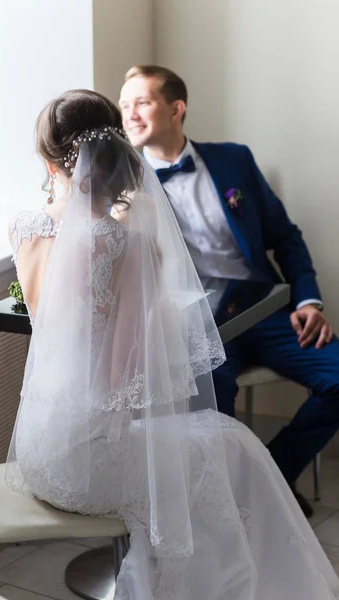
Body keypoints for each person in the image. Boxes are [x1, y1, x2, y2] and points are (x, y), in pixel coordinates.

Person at [5, 89, 339, 599]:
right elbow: (125, 384)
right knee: (238, 446)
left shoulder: (22, 228)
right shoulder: (125, 243)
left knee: (219, 447)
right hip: (90, 466)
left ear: (52, 162)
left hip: (36, 452)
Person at [119, 64, 339, 518]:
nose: (130, 114)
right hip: (195, 322)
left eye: (141, 102)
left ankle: (270, 476)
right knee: (212, 392)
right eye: (124, 105)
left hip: (265, 308)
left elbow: (286, 236)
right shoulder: (124, 182)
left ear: (176, 108)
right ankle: (224, 502)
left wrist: (307, 300)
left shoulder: (233, 160)